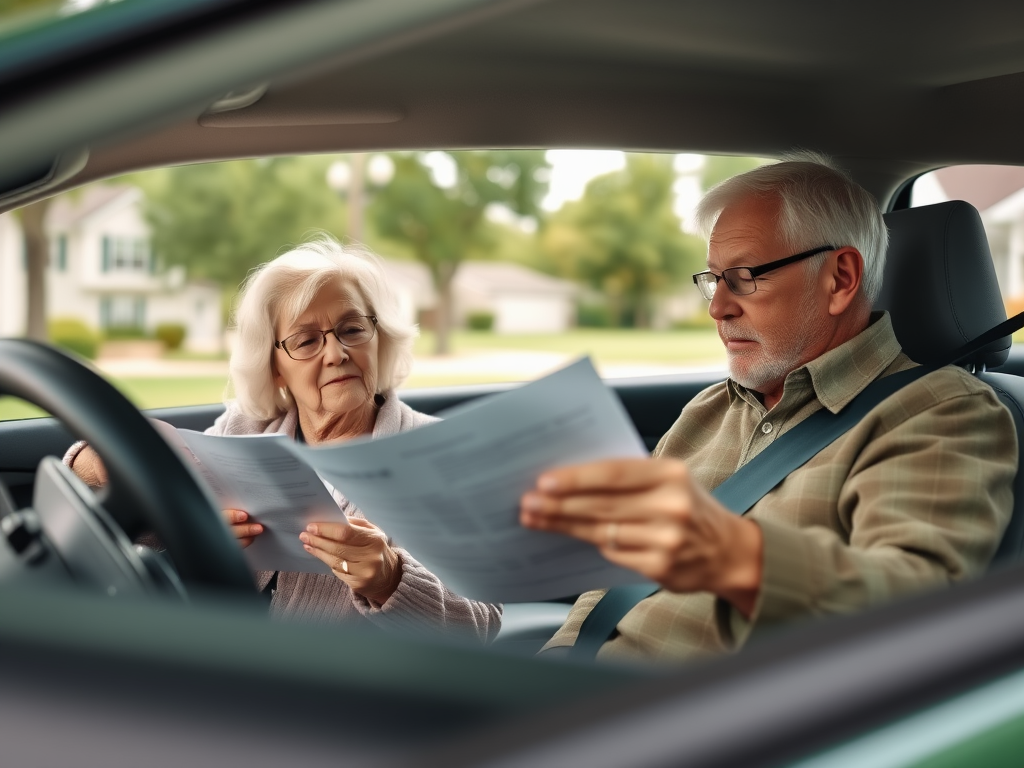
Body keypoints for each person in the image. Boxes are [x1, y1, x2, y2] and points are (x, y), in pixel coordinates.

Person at [521, 153, 1017, 663]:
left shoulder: (941, 412)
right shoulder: (711, 408)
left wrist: (739, 558)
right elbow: (608, 586)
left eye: (743, 276)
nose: (718, 307)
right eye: (714, 280)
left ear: (841, 278)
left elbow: (915, 609)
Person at [67, 237, 500, 642]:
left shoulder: (435, 452)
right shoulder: (246, 427)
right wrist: (104, 467)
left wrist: (390, 578)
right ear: (275, 367)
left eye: (352, 330)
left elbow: (482, 621)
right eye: (306, 340)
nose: (336, 354)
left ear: (380, 337)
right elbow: (157, 501)